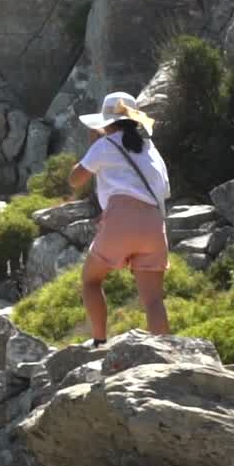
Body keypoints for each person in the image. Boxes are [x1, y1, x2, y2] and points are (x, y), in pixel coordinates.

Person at [67, 92, 171, 346]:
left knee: (91, 280)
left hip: (120, 222)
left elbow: (74, 180)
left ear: (106, 122)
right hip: (154, 223)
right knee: (153, 300)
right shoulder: (150, 148)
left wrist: (93, 147)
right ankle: (166, 353)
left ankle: (100, 341)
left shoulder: (104, 146)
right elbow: (164, 189)